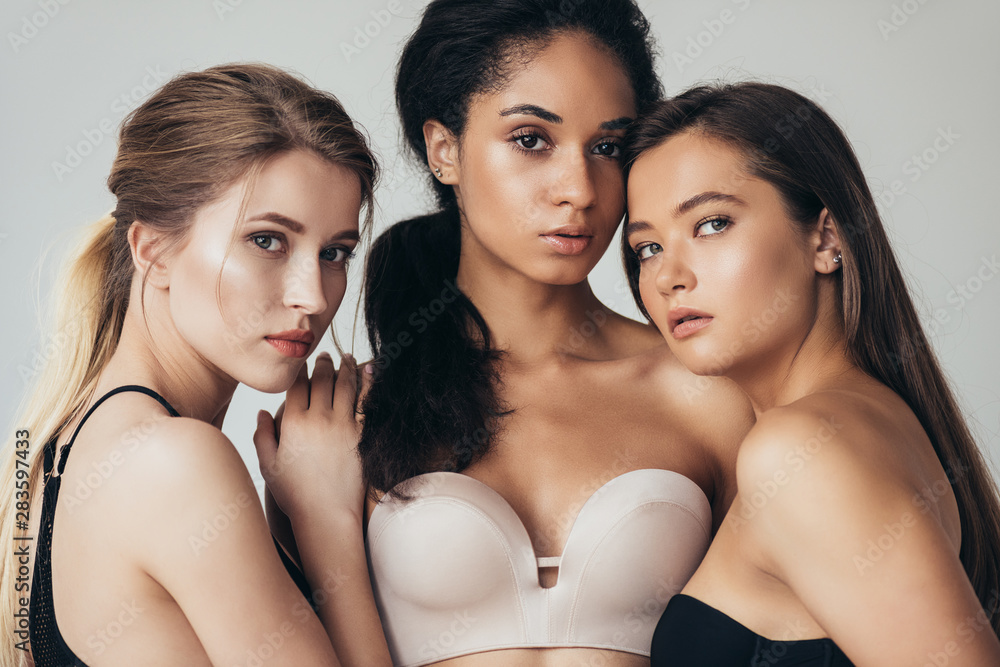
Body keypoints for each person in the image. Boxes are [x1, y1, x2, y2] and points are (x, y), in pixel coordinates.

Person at [262, 1, 755, 665]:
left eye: (608, 147)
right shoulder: (353, 419)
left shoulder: (708, 390)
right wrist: (325, 521)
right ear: (444, 149)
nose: (579, 188)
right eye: (532, 139)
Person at [0, 63, 378, 666]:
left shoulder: (66, 447)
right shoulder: (174, 462)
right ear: (154, 250)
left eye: (334, 252)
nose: (312, 295)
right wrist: (327, 522)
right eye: (267, 240)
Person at [622, 81, 1000, 666]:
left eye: (711, 224)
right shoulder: (862, 421)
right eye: (646, 248)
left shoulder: (798, 450)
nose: (669, 275)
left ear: (825, 238)